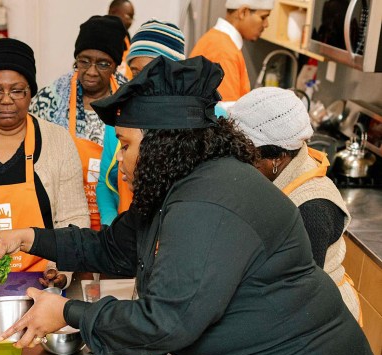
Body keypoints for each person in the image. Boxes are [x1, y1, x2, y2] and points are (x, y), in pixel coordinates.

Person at [0, 56, 382, 355]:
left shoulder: (208, 203)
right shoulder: (180, 185)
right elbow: (112, 248)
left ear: (162, 142)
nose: (119, 160)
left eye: (125, 144)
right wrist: (28, 237)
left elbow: (166, 321)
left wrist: (68, 310)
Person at [0, 38, 89, 286]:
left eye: (17, 90)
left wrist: (61, 270)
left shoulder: (57, 142)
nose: (6, 100)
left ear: (31, 92)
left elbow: (73, 218)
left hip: (41, 284)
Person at [230, 87, 362, 324]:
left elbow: (300, 298)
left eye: (247, 157)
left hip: (322, 324)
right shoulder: (281, 169)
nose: (240, 165)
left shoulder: (312, 208)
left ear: (277, 159)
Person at [30, 15, 129, 230]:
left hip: (116, 218)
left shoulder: (129, 99)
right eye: (84, 61)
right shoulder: (50, 100)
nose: (91, 71)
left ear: (115, 65)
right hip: (63, 218)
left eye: (103, 63)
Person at [97, 19, 185, 225]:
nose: (140, 80)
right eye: (135, 72)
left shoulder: (200, 117)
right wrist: (112, 225)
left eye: (150, 71)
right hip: (125, 234)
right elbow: (104, 183)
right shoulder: (119, 119)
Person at [189, 0, 272, 102]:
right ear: (243, 12)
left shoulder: (220, 41)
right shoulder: (223, 50)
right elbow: (225, 111)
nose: (266, 24)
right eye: (263, 17)